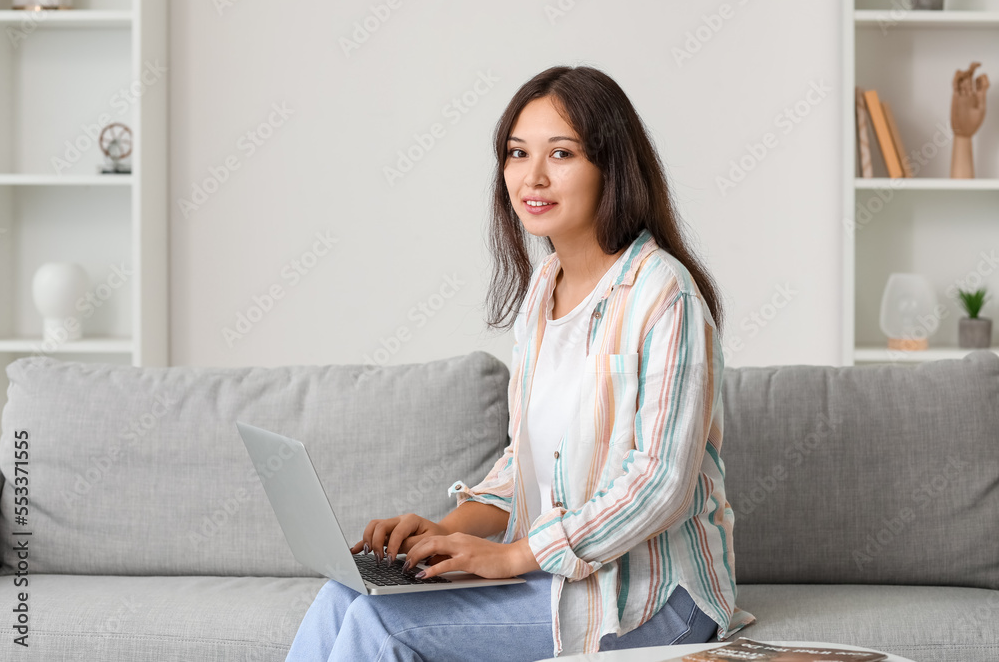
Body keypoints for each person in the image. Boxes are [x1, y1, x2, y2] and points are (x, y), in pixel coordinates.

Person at [285, 64, 756, 661]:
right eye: (516, 153)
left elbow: (657, 485)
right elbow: (529, 462)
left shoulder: (665, 295)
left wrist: (514, 555)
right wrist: (447, 528)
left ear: (610, 167)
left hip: (654, 600)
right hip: (558, 576)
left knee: (383, 626)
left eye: (561, 153)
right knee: (340, 596)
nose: (532, 176)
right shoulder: (545, 289)